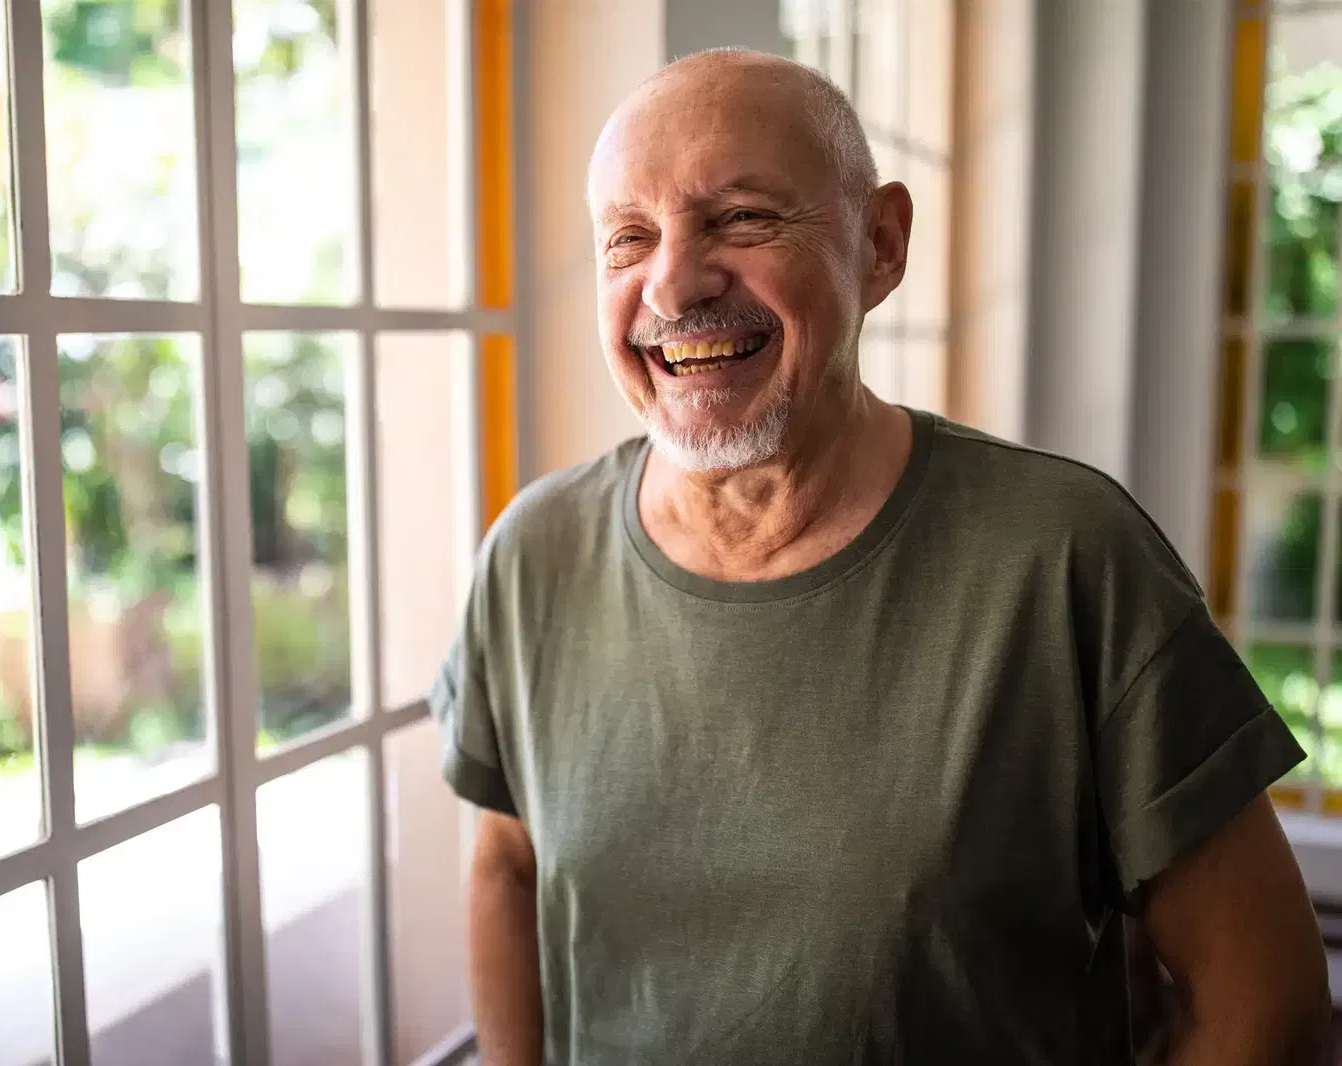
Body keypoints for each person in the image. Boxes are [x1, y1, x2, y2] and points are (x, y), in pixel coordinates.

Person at [429, 48, 1330, 1065]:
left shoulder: (1067, 556)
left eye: (742, 217)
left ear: (881, 244)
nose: (673, 284)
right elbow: (506, 861)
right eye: (626, 239)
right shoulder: (531, 556)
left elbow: (1269, 1004)